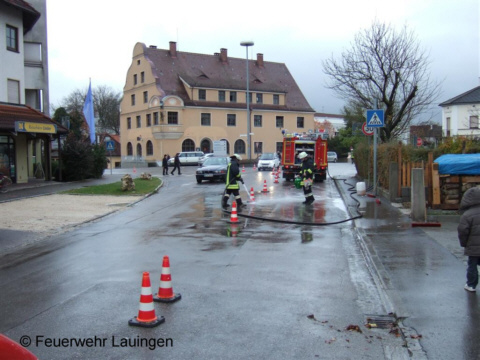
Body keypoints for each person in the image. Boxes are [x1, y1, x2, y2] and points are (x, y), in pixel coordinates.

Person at [458, 187, 480, 292]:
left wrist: (464, 244)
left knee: (472, 265)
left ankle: (471, 285)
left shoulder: (467, 215)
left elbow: (463, 231)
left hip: (473, 247)